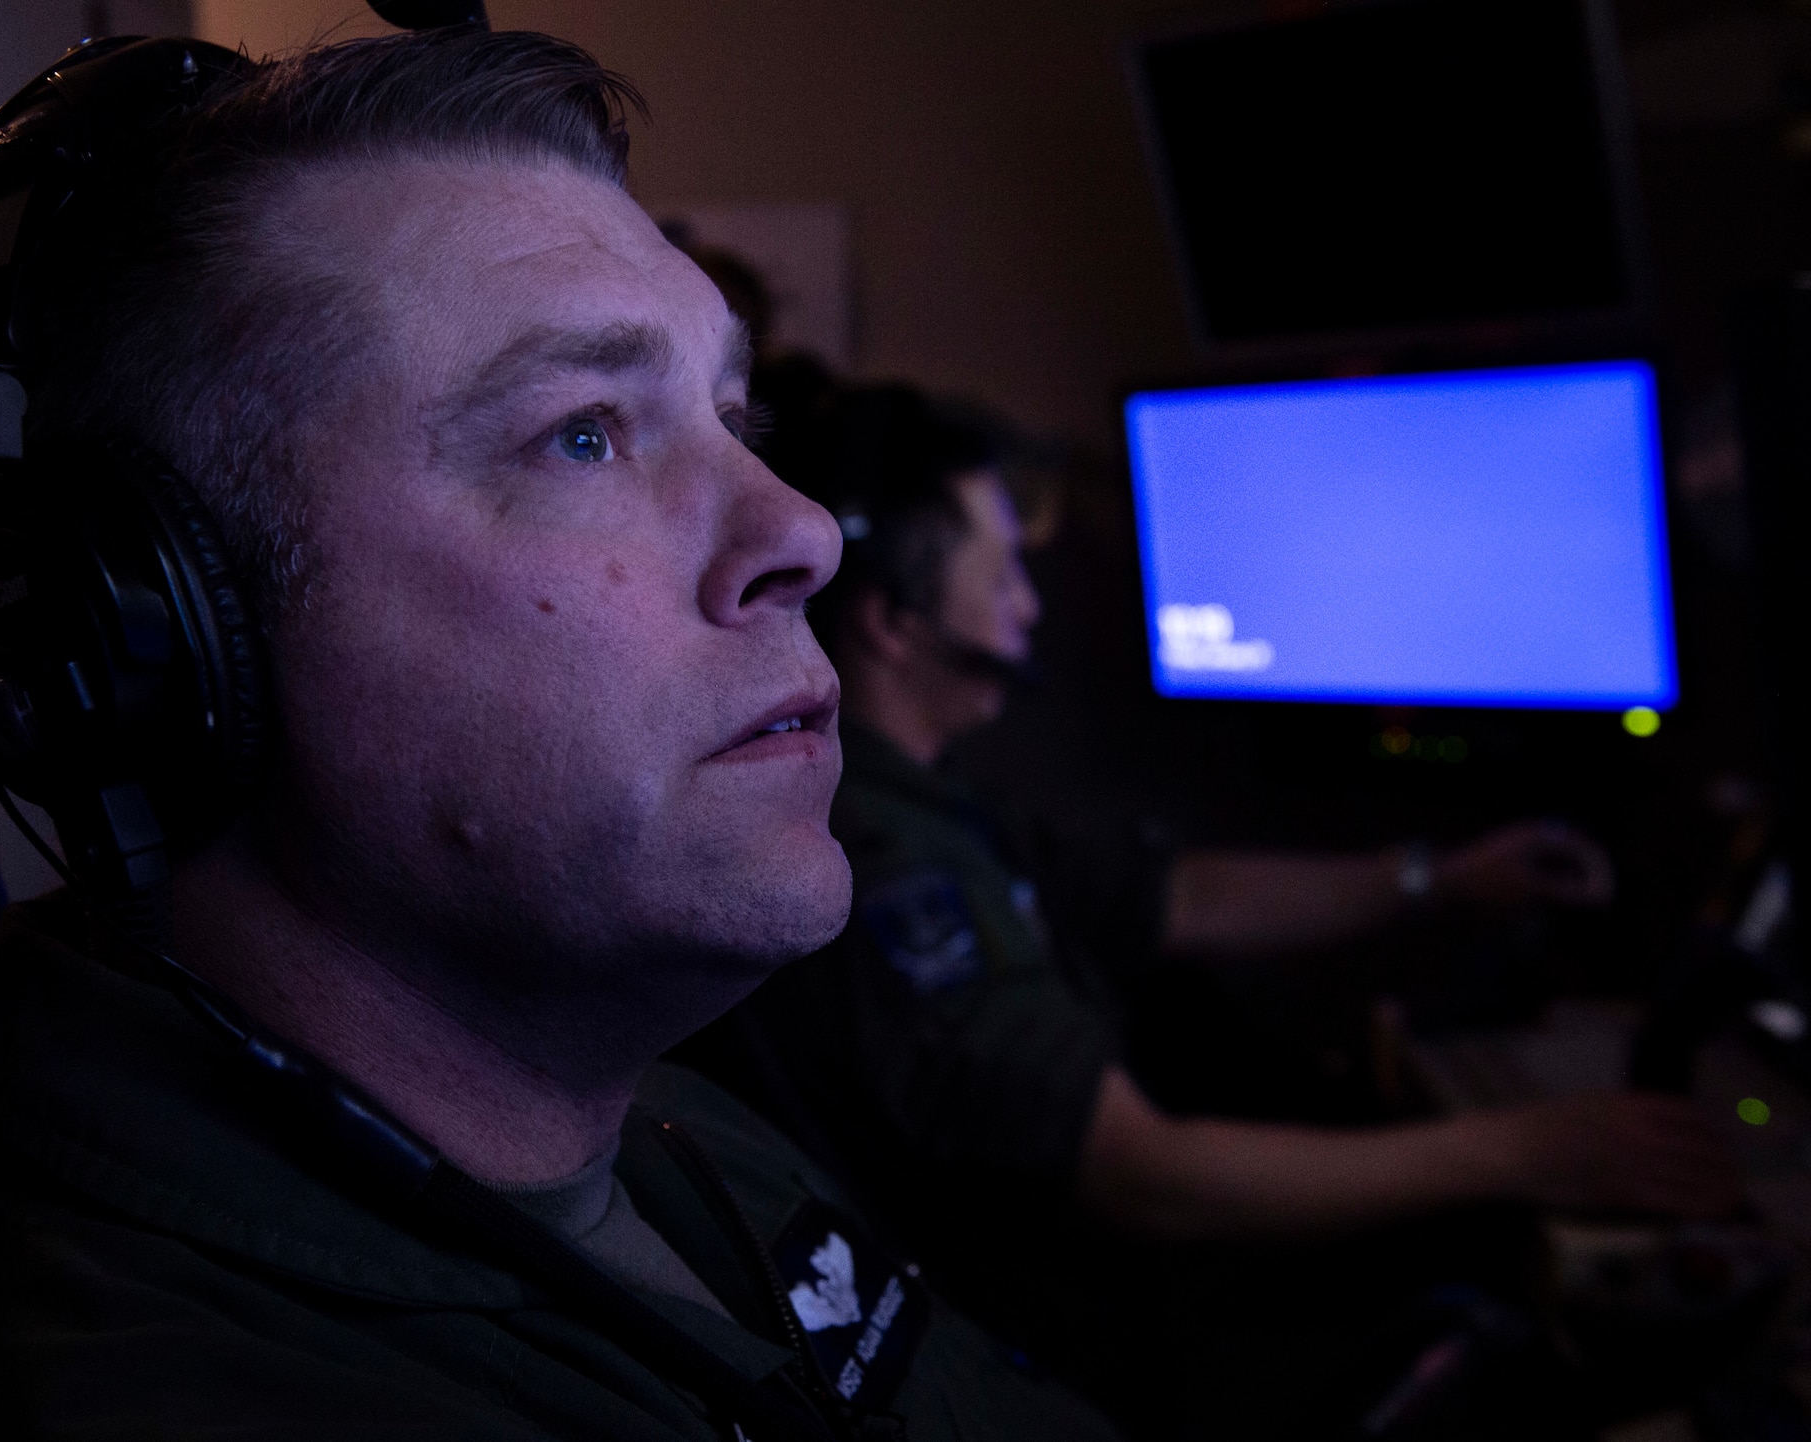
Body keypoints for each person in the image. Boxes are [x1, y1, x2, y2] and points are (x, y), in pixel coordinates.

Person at [0, 27, 1125, 1442]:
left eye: (733, 414)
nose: (797, 532)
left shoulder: (666, 1129)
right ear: (152, 640)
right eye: (586, 434)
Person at [676, 381, 1742, 1438]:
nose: (1028, 611)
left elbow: (1168, 896)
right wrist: (1517, 1151)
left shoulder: (918, 791)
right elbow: (1147, 1176)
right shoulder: (891, 860)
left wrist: (1435, 875)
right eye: (1000, 578)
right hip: (1054, 1358)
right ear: (894, 623)